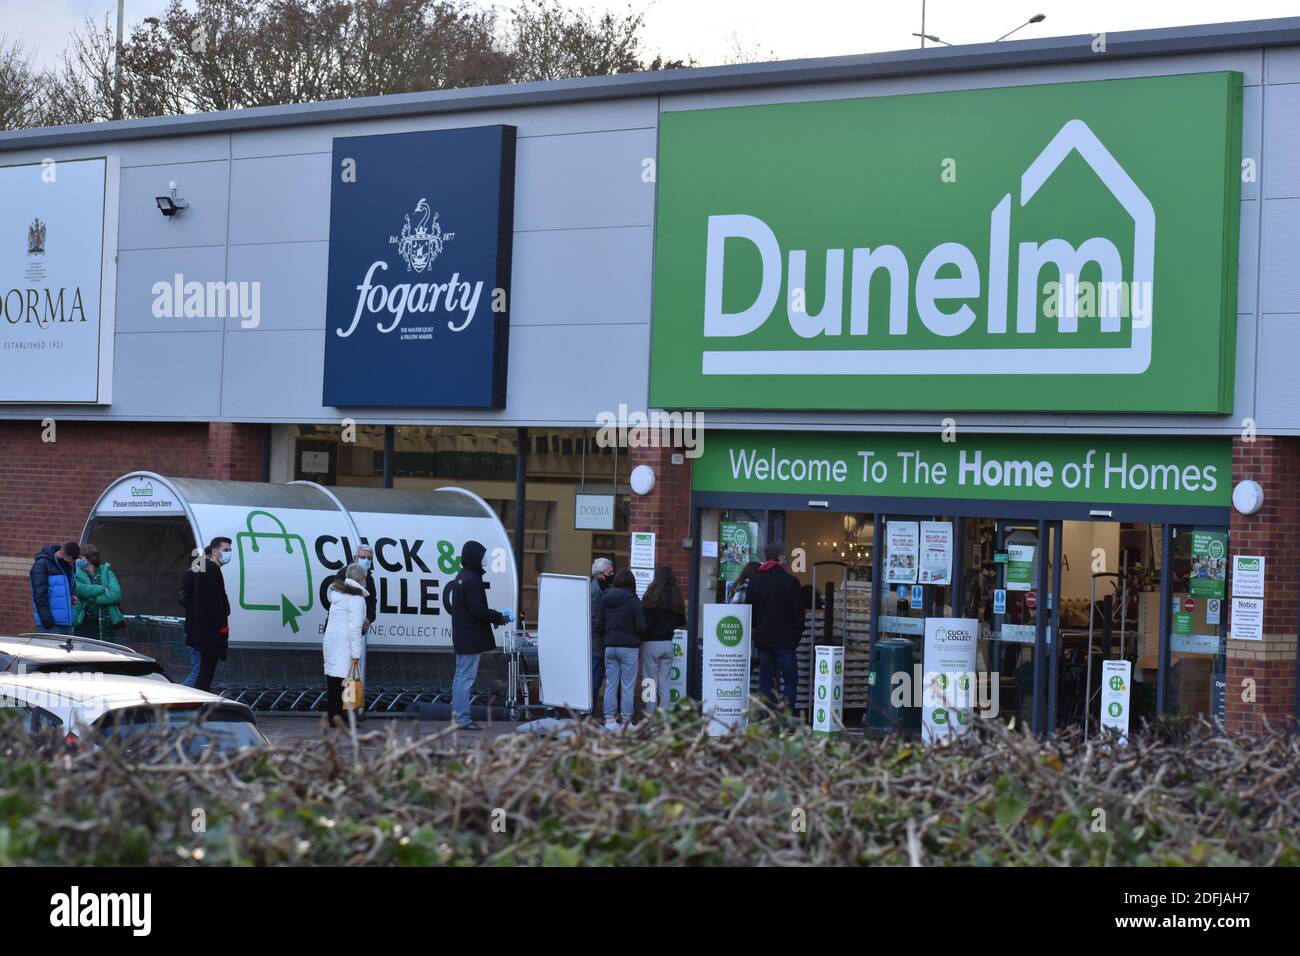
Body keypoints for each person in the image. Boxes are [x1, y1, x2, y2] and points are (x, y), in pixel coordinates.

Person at [448, 540, 511, 731]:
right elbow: (477, 609)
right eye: (482, 555)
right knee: (465, 679)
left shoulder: (461, 576)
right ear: (474, 557)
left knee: (460, 678)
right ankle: (462, 719)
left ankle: (457, 715)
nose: (485, 558)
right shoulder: (473, 579)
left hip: (462, 635)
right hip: (471, 637)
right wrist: (499, 617)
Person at [746, 542, 805, 713]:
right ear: (780, 557)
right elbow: (799, 614)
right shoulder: (791, 582)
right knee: (790, 680)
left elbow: (750, 612)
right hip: (786, 641)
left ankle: (768, 716)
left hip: (764, 640)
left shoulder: (755, 582)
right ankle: (786, 718)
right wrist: (796, 637)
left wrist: (759, 629)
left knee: (766, 680)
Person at [180, 537, 232, 692]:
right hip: (204, 632)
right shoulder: (208, 570)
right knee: (200, 673)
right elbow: (212, 603)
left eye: (230, 551)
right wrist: (221, 626)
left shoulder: (200, 572)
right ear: (213, 553)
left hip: (198, 630)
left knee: (200, 672)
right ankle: (178, 698)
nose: (229, 554)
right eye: (226, 550)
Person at [596, 567, 645, 730]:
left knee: (611, 684)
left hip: (610, 647)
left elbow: (599, 625)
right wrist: (637, 638)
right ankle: (625, 721)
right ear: (632, 582)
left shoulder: (605, 599)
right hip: (629, 648)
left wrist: (606, 639)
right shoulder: (634, 601)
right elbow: (641, 626)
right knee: (627, 685)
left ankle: (609, 720)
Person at [322, 562, 368, 728]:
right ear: (360, 578)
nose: (365, 580)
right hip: (346, 645)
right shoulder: (356, 599)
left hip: (332, 643)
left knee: (333, 682)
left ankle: (333, 717)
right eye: (365, 577)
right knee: (348, 682)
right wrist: (356, 654)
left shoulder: (337, 595)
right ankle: (347, 717)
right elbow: (355, 628)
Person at [640, 565, 685, 718]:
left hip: (650, 644)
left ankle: (649, 716)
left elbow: (643, 622)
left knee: (649, 682)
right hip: (667, 644)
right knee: (665, 683)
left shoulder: (650, 597)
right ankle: (664, 718)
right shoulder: (676, 599)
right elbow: (682, 620)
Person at [72, 544, 124, 642]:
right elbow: (80, 590)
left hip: (107, 622)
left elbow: (116, 594)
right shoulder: (76, 573)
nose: (78, 560)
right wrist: (102, 588)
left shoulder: (108, 573)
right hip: (84, 621)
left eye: (81, 558)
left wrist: (95, 599)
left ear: (89, 559)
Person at [30, 541, 80, 635]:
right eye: (70, 560)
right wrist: (47, 621)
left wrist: (72, 596)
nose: (71, 564)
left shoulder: (70, 565)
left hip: (67, 622)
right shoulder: (41, 565)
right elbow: (39, 595)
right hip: (51, 624)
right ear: (61, 553)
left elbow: (68, 587)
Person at [589, 557, 614, 713]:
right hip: (596, 644)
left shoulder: (598, 588)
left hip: (596, 642)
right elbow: (594, 619)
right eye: (609, 572)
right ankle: (589, 713)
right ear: (600, 574)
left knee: (596, 679)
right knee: (595, 679)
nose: (613, 574)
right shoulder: (597, 592)